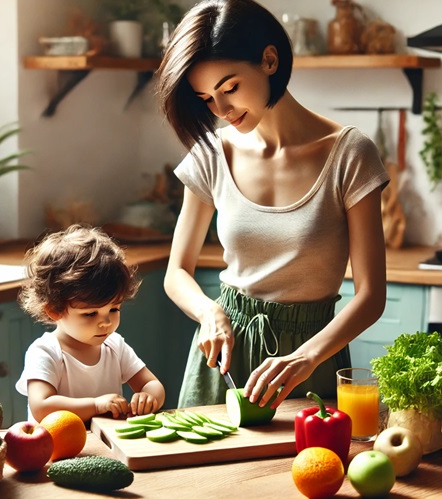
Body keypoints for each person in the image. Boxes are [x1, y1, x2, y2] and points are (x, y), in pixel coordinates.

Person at [156, 0, 389, 409]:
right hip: (222, 355)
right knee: (205, 474)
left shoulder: (350, 154)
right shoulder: (212, 152)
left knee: (311, 470)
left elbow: (371, 295)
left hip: (310, 357)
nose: (222, 110)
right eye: (207, 98)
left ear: (269, 60)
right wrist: (209, 314)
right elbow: (176, 273)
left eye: (230, 88)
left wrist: (307, 355)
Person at [15, 224, 166, 422]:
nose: (105, 322)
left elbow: (153, 385)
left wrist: (148, 396)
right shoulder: (46, 352)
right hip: (58, 451)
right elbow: (42, 407)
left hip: (104, 448)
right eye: (90, 314)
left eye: (114, 309)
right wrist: (95, 405)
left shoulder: (115, 346)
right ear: (54, 310)